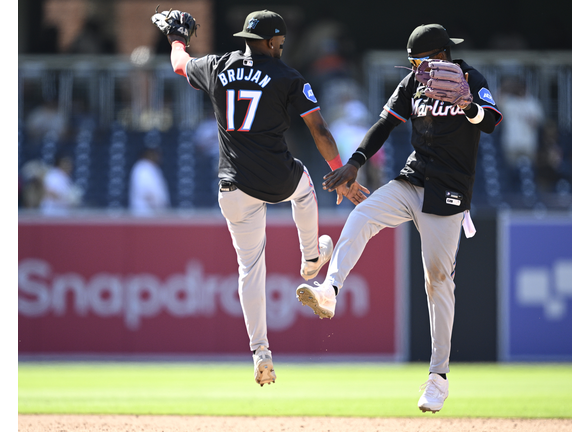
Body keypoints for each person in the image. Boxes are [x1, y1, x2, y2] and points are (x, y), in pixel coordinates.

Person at [154, 9, 368, 387]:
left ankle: (260, 352)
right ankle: (310, 261)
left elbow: (179, 65)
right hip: (274, 177)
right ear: (269, 43)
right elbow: (318, 130)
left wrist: (176, 37)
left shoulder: (219, 65)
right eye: (280, 44)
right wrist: (340, 174)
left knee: (250, 268)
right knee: (304, 182)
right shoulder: (287, 75)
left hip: (232, 185)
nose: (282, 50)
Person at [295, 24, 502, 413]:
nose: (415, 68)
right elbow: (385, 124)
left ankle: (438, 378)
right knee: (364, 214)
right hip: (412, 179)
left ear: (441, 54)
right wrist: (355, 163)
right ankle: (330, 289)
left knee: (437, 281)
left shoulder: (470, 78)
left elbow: (490, 121)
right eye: (411, 62)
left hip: (449, 190)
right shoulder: (413, 84)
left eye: (419, 60)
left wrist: (467, 105)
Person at [497, 76, 544, 169]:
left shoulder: (533, 103)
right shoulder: (509, 102)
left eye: (521, 87)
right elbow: (494, 102)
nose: (519, 89)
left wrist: (530, 120)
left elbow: (538, 123)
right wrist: (506, 87)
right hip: (511, 144)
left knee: (529, 171)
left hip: (528, 145)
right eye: (517, 87)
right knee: (511, 171)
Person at [129, 145, 170, 216]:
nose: (158, 156)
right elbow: (145, 192)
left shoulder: (153, 168)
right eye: (154, 154)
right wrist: (156, 206)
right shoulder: (142, 167)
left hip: (155, 213)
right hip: (145, 212)